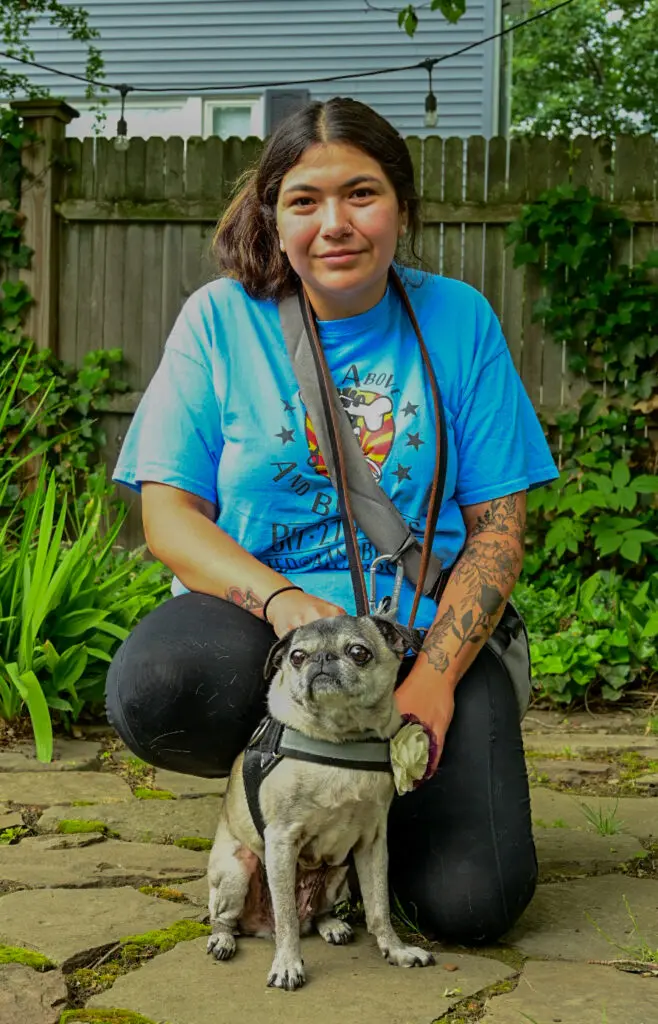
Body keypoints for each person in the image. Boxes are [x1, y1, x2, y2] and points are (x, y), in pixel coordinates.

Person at [106, 97, 559, 945]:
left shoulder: (458, 318)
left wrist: (431, 683)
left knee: (471, 907)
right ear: (273, 218)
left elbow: (499, 528)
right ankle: (274, 797)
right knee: (161, 688)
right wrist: (281, 603)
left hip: (421, 641)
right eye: (305, 200)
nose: (335, 224)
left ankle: (372, 813)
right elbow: (167, 517)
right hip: (267, 625)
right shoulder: (219, 319)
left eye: (362, 193)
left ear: (402, 208)